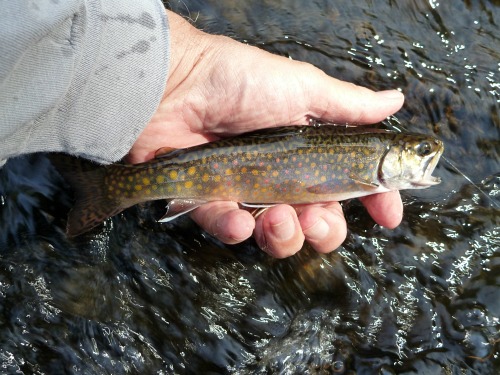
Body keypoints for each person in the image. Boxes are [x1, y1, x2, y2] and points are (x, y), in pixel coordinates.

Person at [0, 1, 404, 258]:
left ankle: (112, 186)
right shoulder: (364, 168)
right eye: (418, 152)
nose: (427, 157)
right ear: (390, 157)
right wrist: (182, 71)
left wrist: (181, 70)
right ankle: (111, 187)